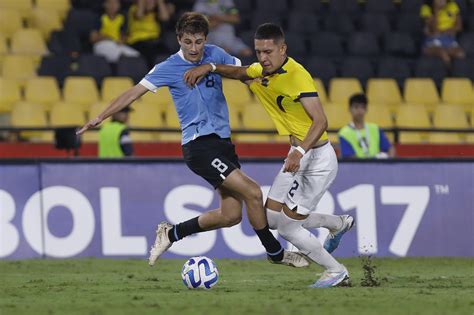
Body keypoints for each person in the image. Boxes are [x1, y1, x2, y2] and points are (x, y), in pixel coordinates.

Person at [77, 13, 308, 269]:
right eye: (188, 42)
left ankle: (172, 233)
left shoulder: (215, 54)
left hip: (222, 143)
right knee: (253, 192)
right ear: (179, 40)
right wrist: (100, 116)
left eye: (199, 42)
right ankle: (275, 253)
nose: (194, 48)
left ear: (205, 39)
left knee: (230, 216)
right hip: (198, 145)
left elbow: (241, 73)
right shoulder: (168, 67)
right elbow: (133, 93)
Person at [184, 23, 354, 288]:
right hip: (298, 156)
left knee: (288, 228)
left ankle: (336, 271)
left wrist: (298, 151)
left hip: (316, 158)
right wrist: (211, 67)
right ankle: (337, 223)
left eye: (268, 51)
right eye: (259, 51)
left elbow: (320, 121)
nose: (263, 57)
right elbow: (241, 72)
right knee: (272, 219)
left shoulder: (297, 76)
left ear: (283, 49)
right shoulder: (263, 70)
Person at [338, 94, 395, 159]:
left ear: (366, 109)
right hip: (356, 168)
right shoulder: (344, 133)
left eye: (362, 107)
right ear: (350, 109)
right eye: (356, 107)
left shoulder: (375, 128)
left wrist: (388, 161)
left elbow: (390, 149)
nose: (360, 111)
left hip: (378, 167)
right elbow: (350, 158)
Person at [127, 0, 173, 66]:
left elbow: (165, 18)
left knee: (168, 53)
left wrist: (159, 2)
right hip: (138, 41)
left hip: (154, 42)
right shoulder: (134, 8)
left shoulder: (155, 12)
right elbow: (139, 15)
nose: (151, 2)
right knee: (150, 54)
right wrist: (143, 4)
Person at [421, 0, 465, 66]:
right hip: (434, 40)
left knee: (461, 54)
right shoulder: (426, 8)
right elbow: (433, 31)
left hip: (448, 38)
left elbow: (459, 26)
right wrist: (437, 10)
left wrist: (451, 30)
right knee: (443, 54)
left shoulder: (452, 5)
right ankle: (447, 74)